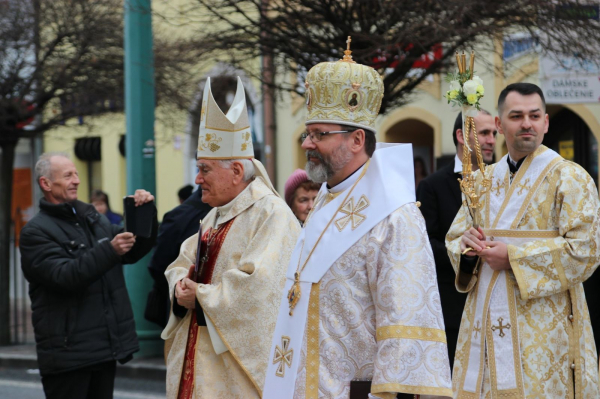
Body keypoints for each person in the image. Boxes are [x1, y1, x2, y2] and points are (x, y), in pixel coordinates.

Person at [263, 41, 452, 399]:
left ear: (356, 139)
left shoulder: (395, 216)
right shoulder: (324, 199)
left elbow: (406, 322)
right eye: (308, 133)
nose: (307, 143)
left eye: (320, 134)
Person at [446, 83, 600, 398]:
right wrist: (468, 248)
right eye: (516, 116)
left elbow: (585, 251)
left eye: (534, 115)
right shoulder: (480, 182)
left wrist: (514, 258)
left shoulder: (571, 178)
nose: (526, 123)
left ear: (545, 122)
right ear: (500, 125)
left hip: (544, 323)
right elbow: (455, 238)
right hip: (486, 317)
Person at [161, 77, 300, 399]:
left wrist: (202, 296)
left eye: (205, 170)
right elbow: (180, 263)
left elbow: (263, 288)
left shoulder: (271, 215)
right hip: (197, 354)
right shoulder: (216, 214)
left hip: (233, 367)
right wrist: (180, 285)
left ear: (237, 171)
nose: (197, 180)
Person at [19, 152, 157, 399]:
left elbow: (131, 250)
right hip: (68, 355)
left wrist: (143, 213)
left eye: (76, 173)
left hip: (104, 348)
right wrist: (109, 250)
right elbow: (64, 276)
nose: (77, 180)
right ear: (46, 184)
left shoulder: (92, 218)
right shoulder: (35, 232)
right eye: (68, 175)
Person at [416, 110, 496, 370]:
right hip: (451, 307)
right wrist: (462, 251)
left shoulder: (500, 182)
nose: (492, 140)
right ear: (461, 136)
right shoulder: (432, 186)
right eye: (484, 133)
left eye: (494, 133)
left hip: (496, 307)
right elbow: (424, 244)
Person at [145, 187, 212, 328]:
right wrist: (180, 290)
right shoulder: (181, 217)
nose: (198, 178)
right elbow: (161, 266)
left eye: (204, 170)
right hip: (182, 316)